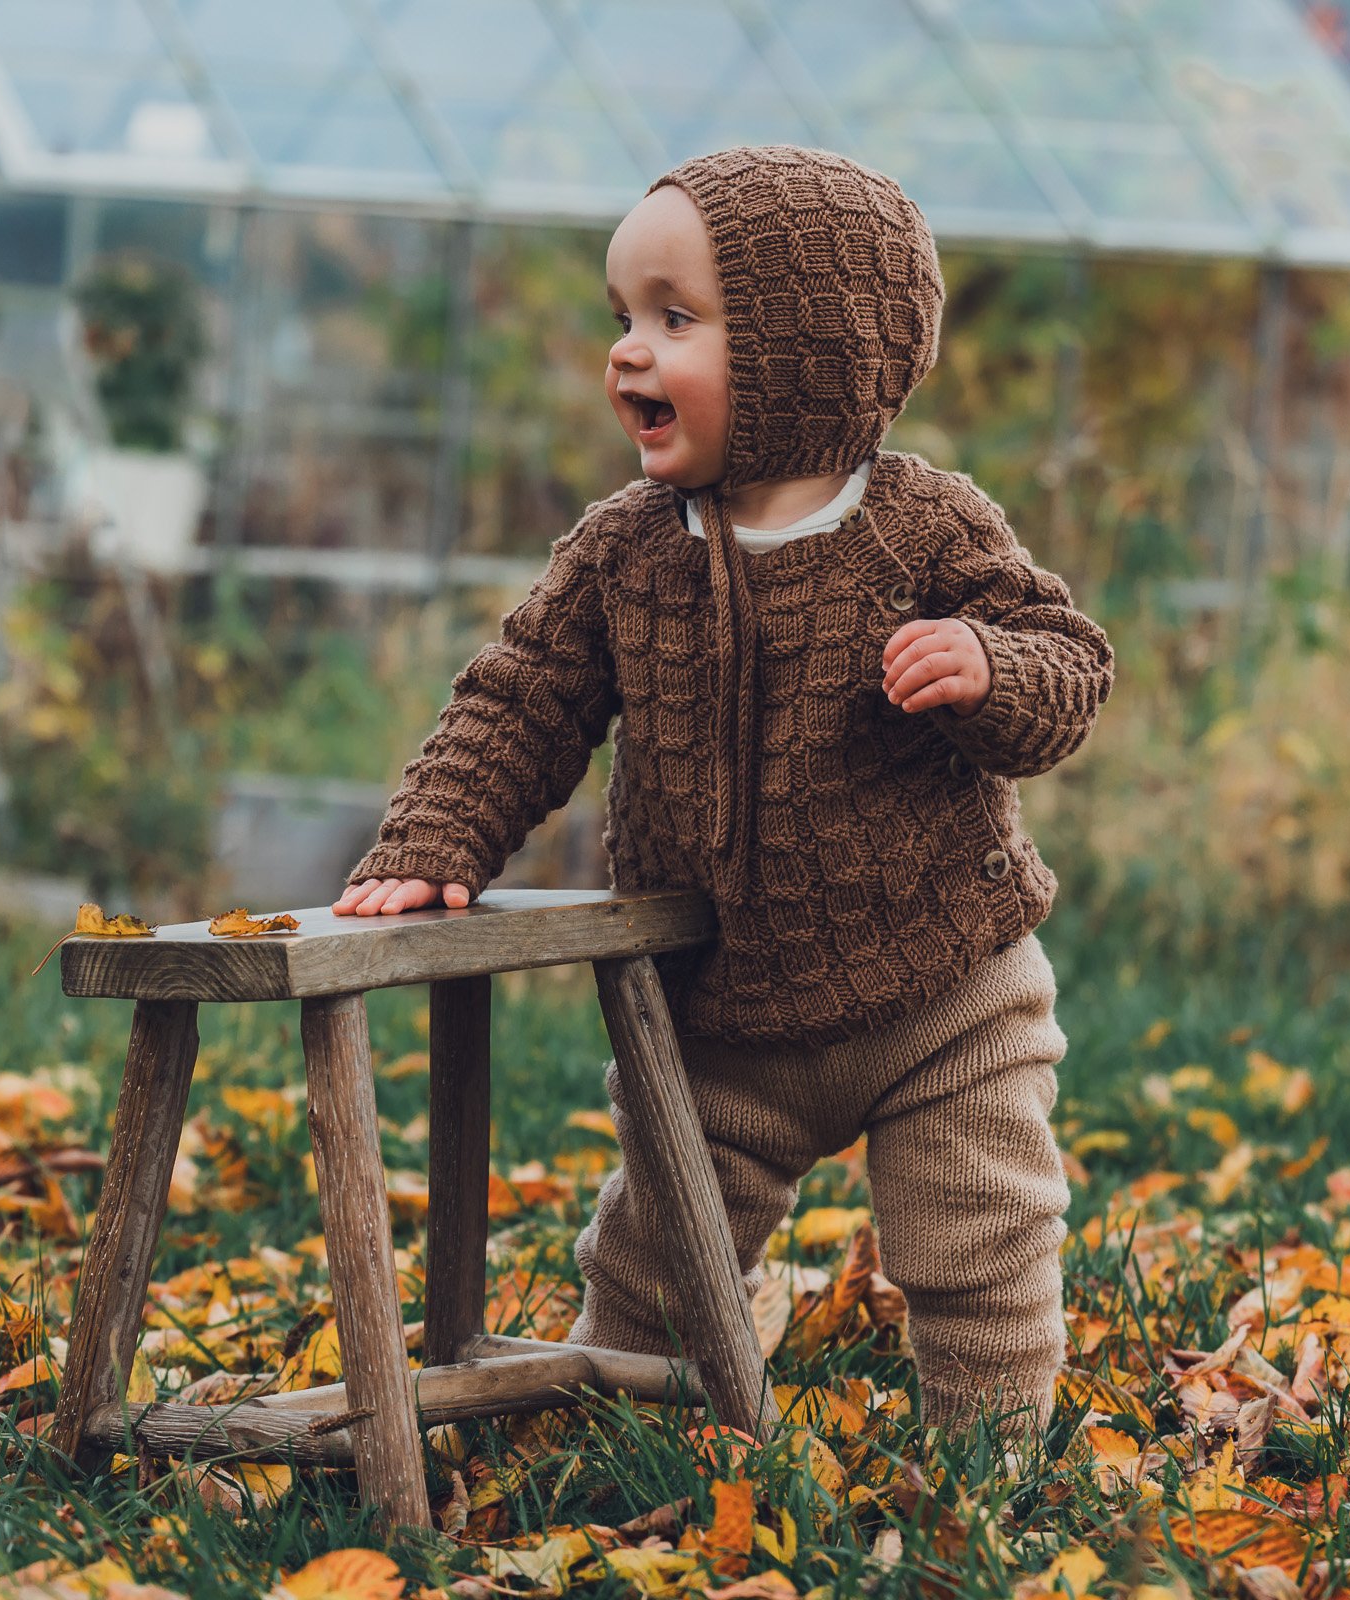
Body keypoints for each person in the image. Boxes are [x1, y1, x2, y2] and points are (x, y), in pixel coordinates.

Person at [333, 145, 1114, 1448]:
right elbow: (521, 699)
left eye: (674, 320)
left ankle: (992, 1463)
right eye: (622, 318)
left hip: (942, 987)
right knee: (653, 1256)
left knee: (978, 1232)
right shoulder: (627, 551)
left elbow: (1071, 664)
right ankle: (610, 1443)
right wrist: (434, 837)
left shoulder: (923, 528)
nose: (630, 354)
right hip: (716, 1015)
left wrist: (989, 670)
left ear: (808, 353)